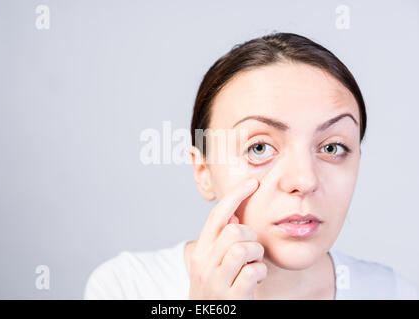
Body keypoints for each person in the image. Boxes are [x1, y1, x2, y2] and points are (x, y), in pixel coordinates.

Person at [84, 32, 418, 300]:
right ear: (203, 171)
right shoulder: (127, 287)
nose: (303, 180)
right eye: (259, 147)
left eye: (332, 147)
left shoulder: (394, 292)